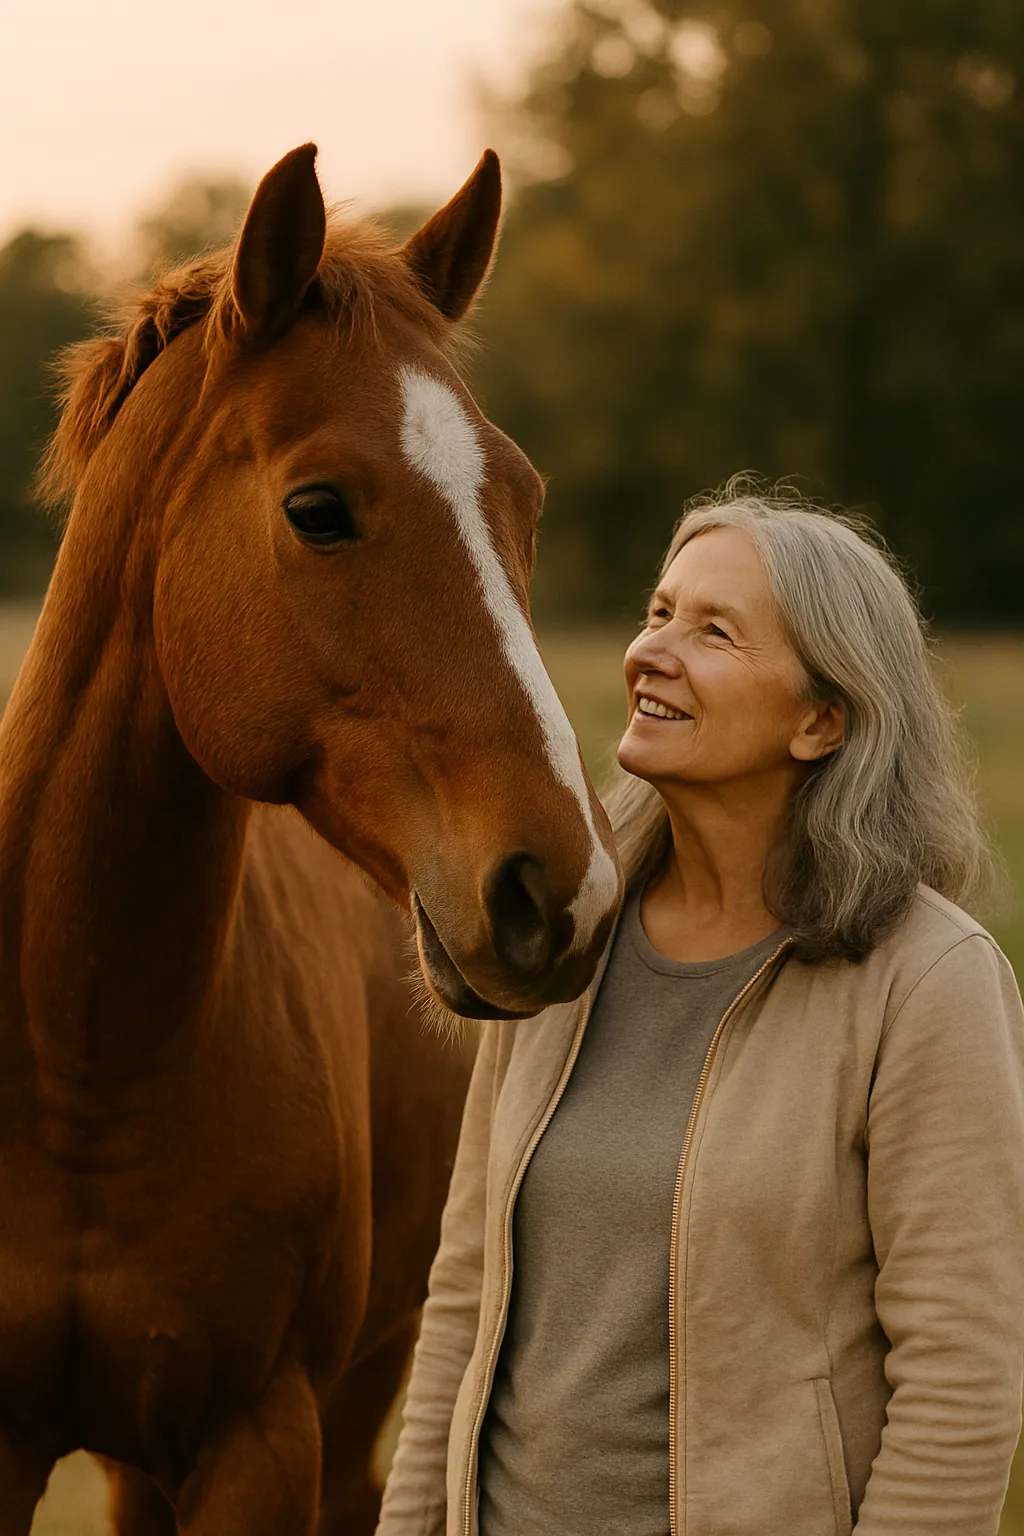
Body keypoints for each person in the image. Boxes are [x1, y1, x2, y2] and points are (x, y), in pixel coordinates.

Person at [376, 485, 1024, 1536]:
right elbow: (464, 1297)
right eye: (658, 611)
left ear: (821, 720)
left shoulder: (928, 983)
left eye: (713, 632)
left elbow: (959, 1380)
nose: (652, 651)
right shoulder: (564, 930)